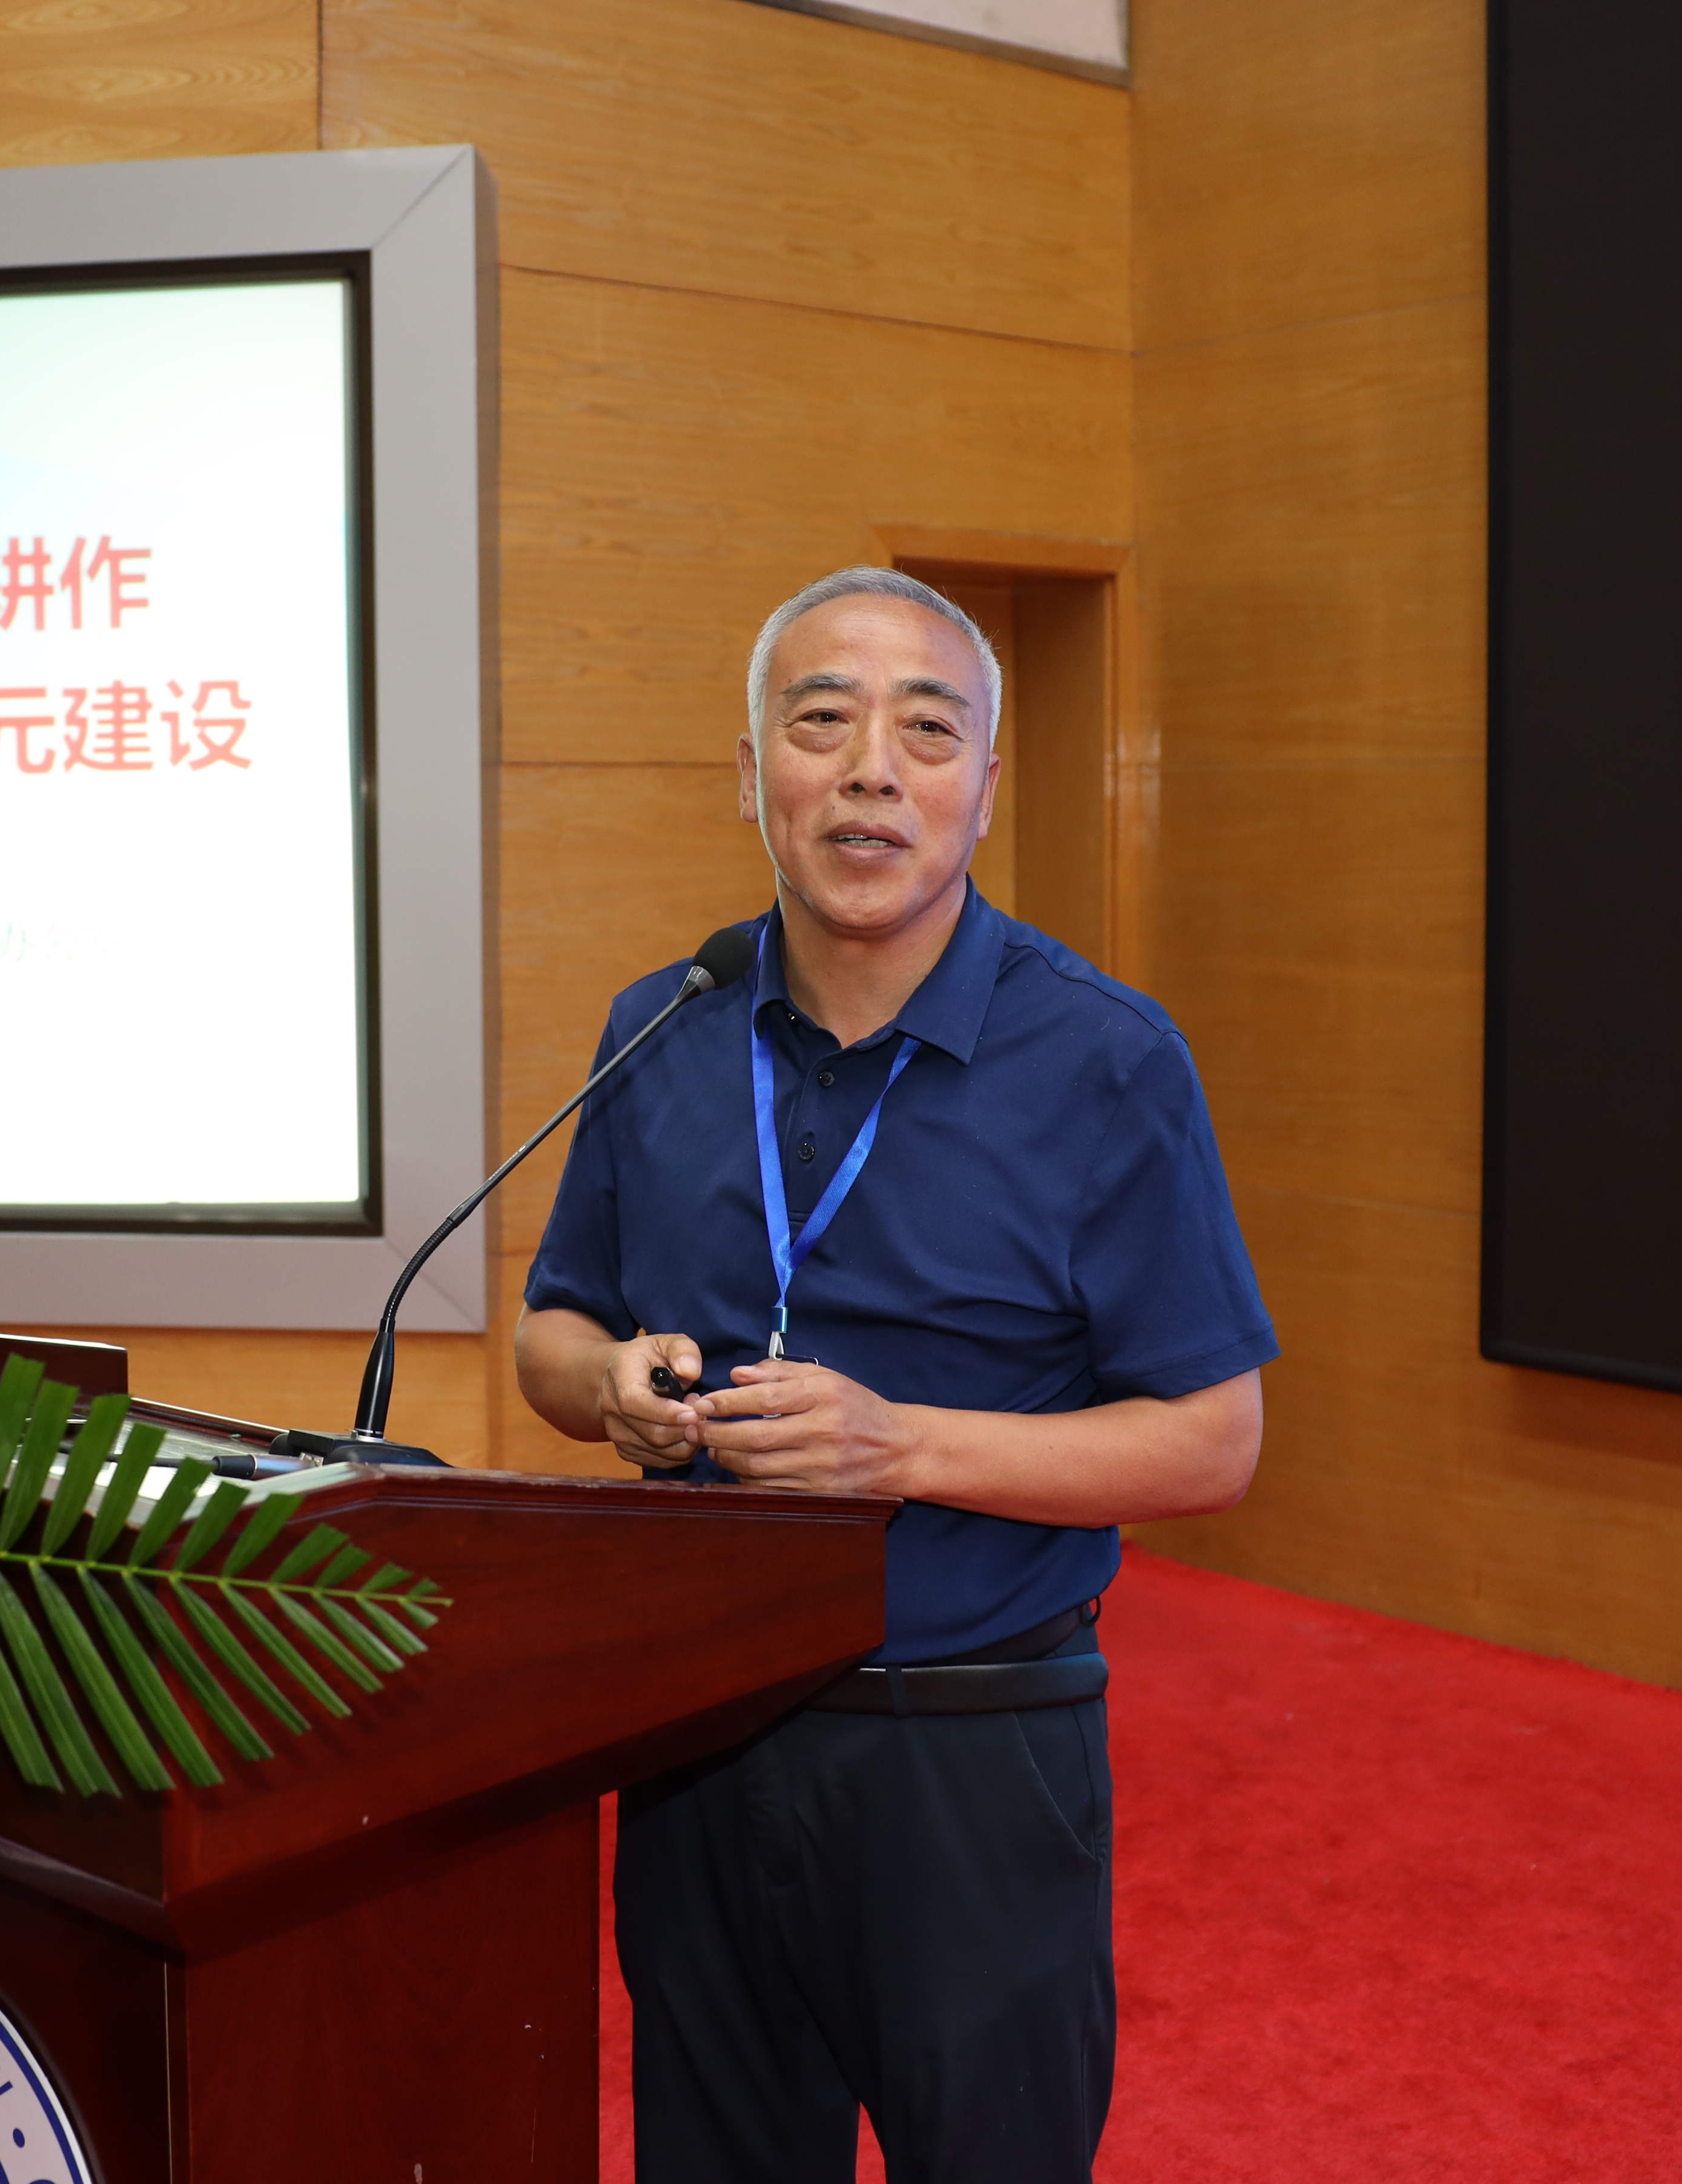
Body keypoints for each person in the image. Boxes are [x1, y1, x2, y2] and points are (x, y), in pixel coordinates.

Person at [514, 566, 1275, 2183]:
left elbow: (1214, 1441)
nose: (872, 769)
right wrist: (611, 1389)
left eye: (928, 733)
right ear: (752, 776)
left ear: (985, 789)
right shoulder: (664, 1026)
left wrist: (902, 1450)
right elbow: (551, 1330)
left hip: (973, 1742)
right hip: (698, 1730)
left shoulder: (1107, 1059)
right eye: (822, 722)